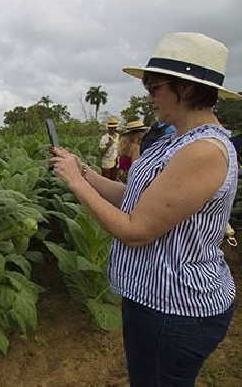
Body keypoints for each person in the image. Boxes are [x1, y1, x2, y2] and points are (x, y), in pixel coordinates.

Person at [49, 32, 239, 386]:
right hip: (153, 297)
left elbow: (136, 231)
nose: (148, 95)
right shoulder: (174, 138)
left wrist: (75, 183)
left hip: (175, 307)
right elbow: (131, 198)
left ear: (186, 88)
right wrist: (84, 171)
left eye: (154, 86)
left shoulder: (204, 151)